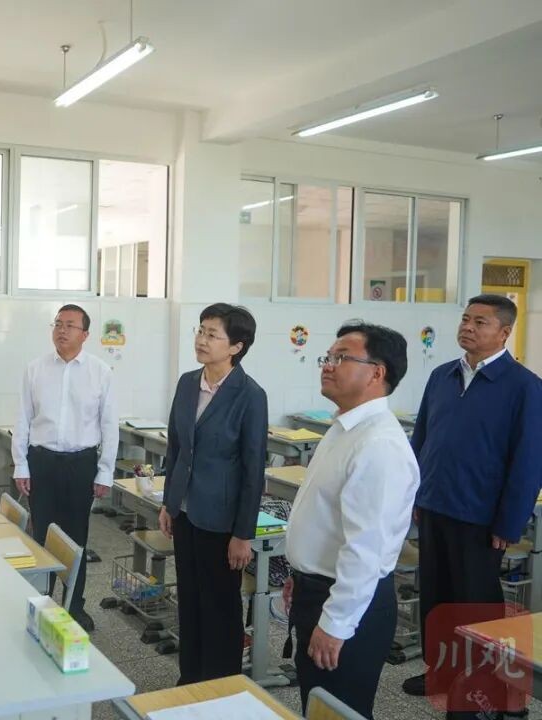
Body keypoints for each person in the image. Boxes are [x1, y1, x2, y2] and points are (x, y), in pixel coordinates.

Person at [402, 295, 542, 710]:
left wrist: (510, 523)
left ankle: (482, 682)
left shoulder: (524, 386)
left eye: (480, 322)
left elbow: (529, 461)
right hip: (435, 504)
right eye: (465, 319)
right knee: (436, 596)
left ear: (504, 332)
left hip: (480, 515)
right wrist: (414, 493)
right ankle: (441, 671)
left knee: (474, 601)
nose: (468, 327)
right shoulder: (442, 375)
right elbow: (422, 438)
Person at [282, 322, 418, 719]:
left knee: (339, 710)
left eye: (342, 358)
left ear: (377, 373)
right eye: (328, 357)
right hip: (321, 589)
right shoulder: (346, 428)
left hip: (350, 603)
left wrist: (336, 624)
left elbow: (366, 549)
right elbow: (327, 517)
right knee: (318, 705)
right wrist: (301, 572)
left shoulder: (378, 444)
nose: (328, 365)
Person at [157, 303, 268, 684]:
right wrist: (170, 502)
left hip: (221, 520)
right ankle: (190, 680)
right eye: (200, 331)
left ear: (236, 346)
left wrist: (243, 534)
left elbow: (253, 469)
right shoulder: (188, 382)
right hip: (186, 513)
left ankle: (220, 689)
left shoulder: (249, 395)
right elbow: (175, 447)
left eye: (212, 335)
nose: (201, 340)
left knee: (219, 607)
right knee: (189, 600)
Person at [12, 304, 117, 631]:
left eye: (70, 325)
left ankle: (74, 606)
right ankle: (43, 601)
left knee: (76, 538)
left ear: (85, 334)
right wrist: (21, 465)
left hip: (80, 464)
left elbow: (109, 425)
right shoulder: (35, 369)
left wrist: (105, 471)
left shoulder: (100, 372)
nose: (62, 330)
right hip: (41, 461)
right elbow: (23, 419)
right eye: (58, 324)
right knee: (41, 534)